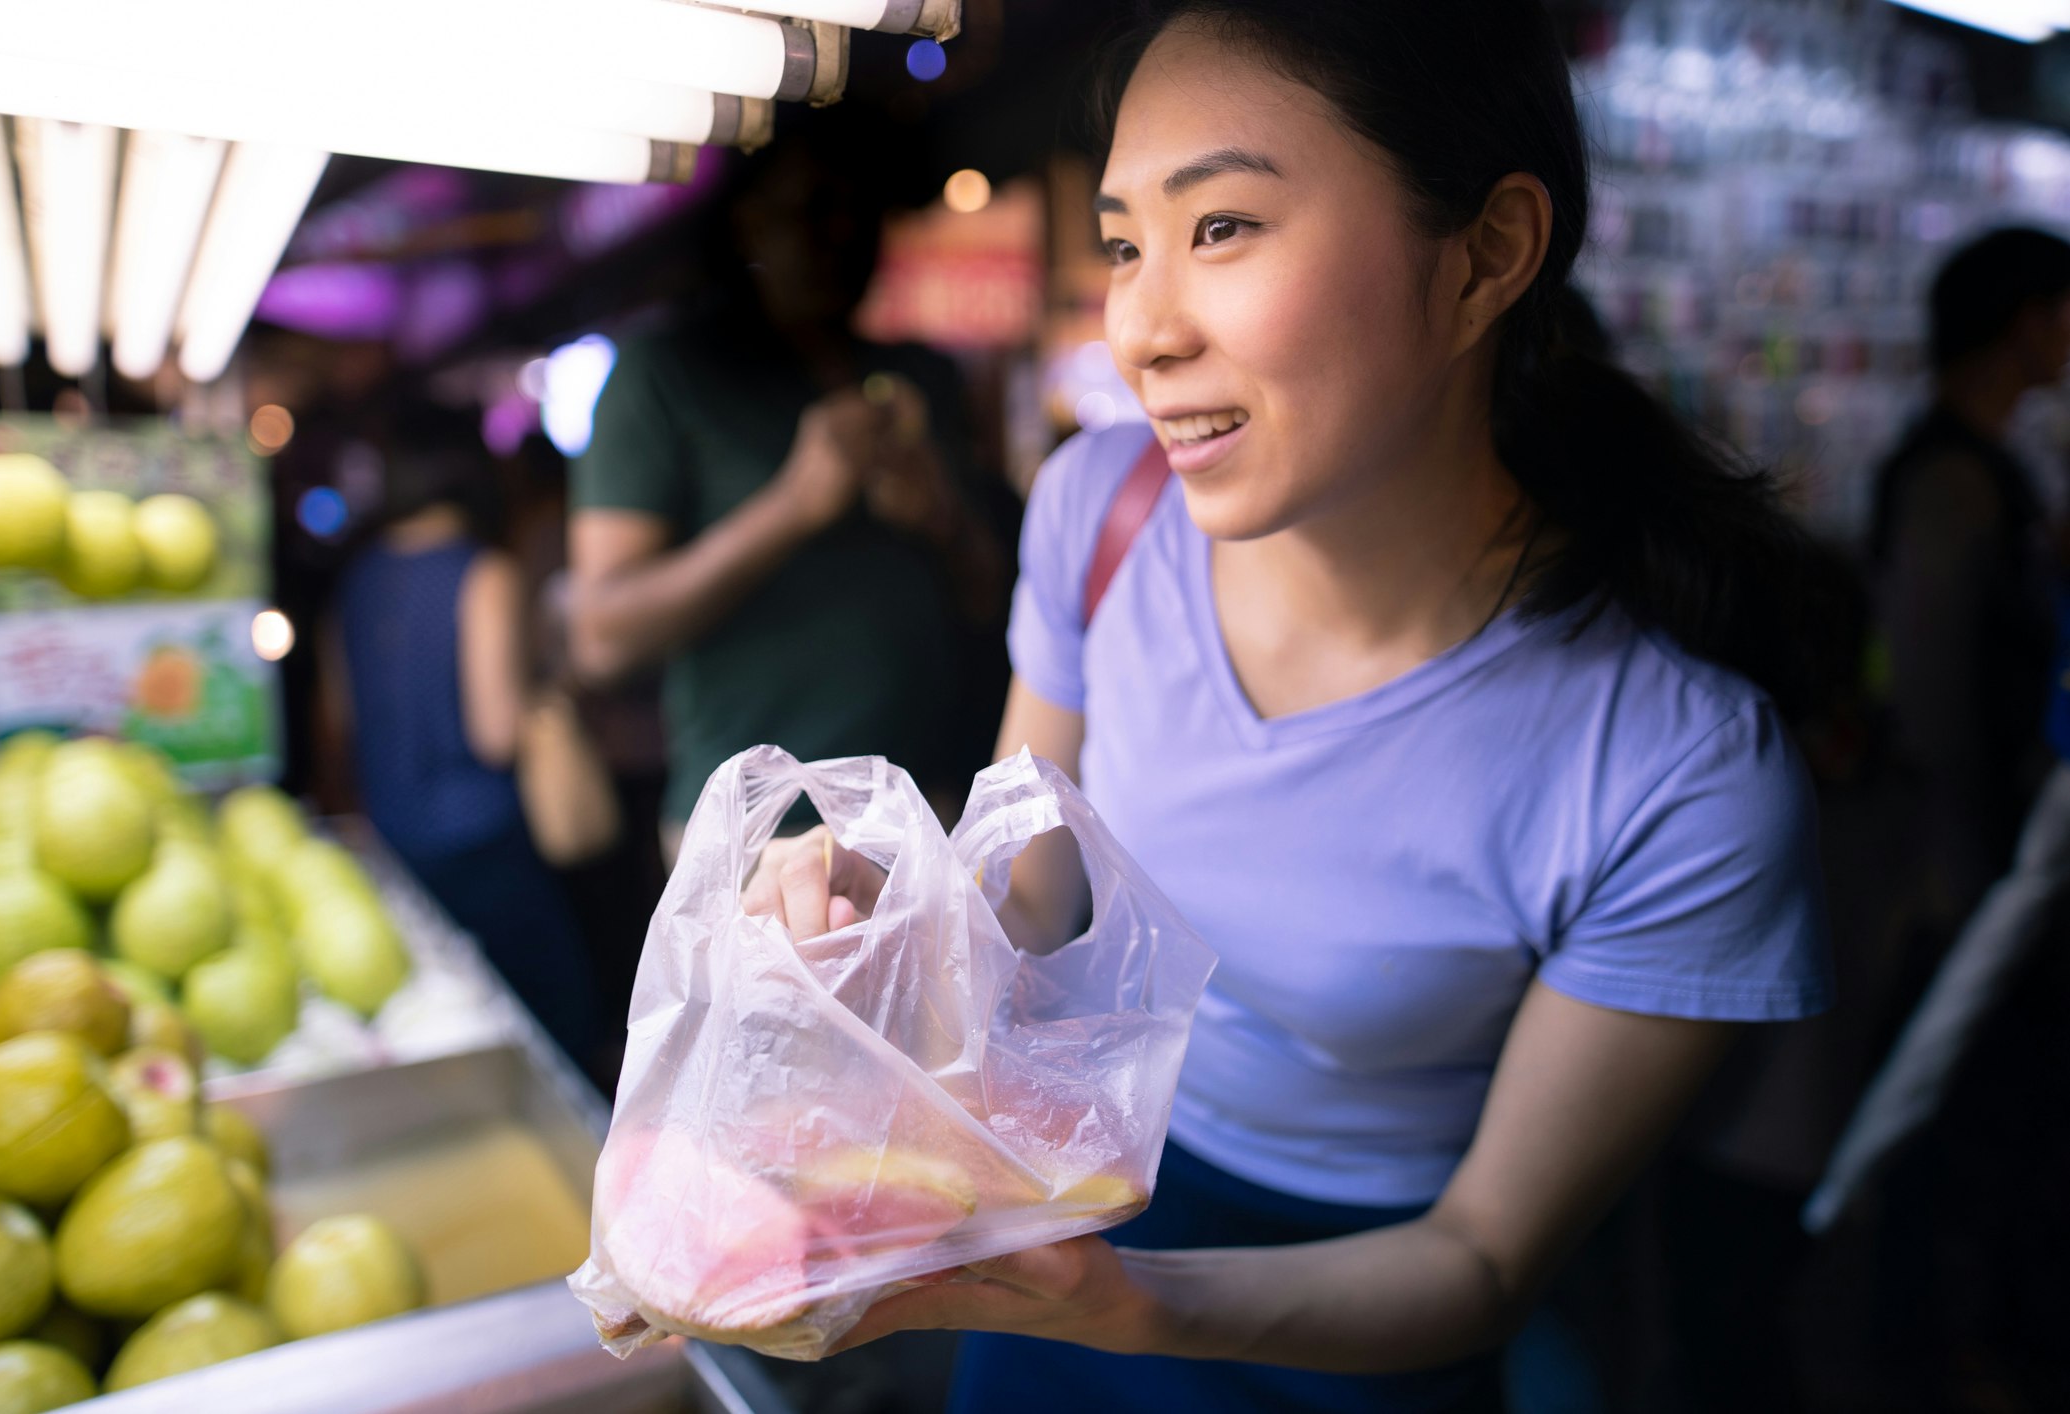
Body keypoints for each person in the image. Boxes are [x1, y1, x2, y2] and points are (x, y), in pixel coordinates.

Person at [740, 3, 1832, 1410]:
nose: (1140, 328)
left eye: (1224, 229)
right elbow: (1018, 890)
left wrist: (1141, 1305)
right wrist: (868, 909)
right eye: (1128, 242)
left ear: (1486, 254)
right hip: (1072, 1216)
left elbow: (1485, 1256)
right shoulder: (1104, 512)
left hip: (1351, 1323)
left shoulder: (1678, 777)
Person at [568, 117, 1011, 861]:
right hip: (758, 840)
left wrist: (942, 517)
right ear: (743, 220)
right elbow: (603, 636)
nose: (835, 234)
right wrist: (793, 507)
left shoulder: (920, 375)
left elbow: (994, 600)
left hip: (922, 816)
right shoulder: (666, 375)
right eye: (805, 207)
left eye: (855, 209)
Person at [321, 405, 600, 1069]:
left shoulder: (355, 577)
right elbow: (496, 732)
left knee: (447, 1032)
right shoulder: (484, 572)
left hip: (394, 837)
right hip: (484, 845)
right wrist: (551, 680)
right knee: (553, 1027)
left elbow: (338, 717)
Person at [1869, 227, 2070, 953]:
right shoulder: (1952, 482)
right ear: (2027, 321)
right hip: (1965, 844)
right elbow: (1928, 679)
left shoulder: (1983, 468)